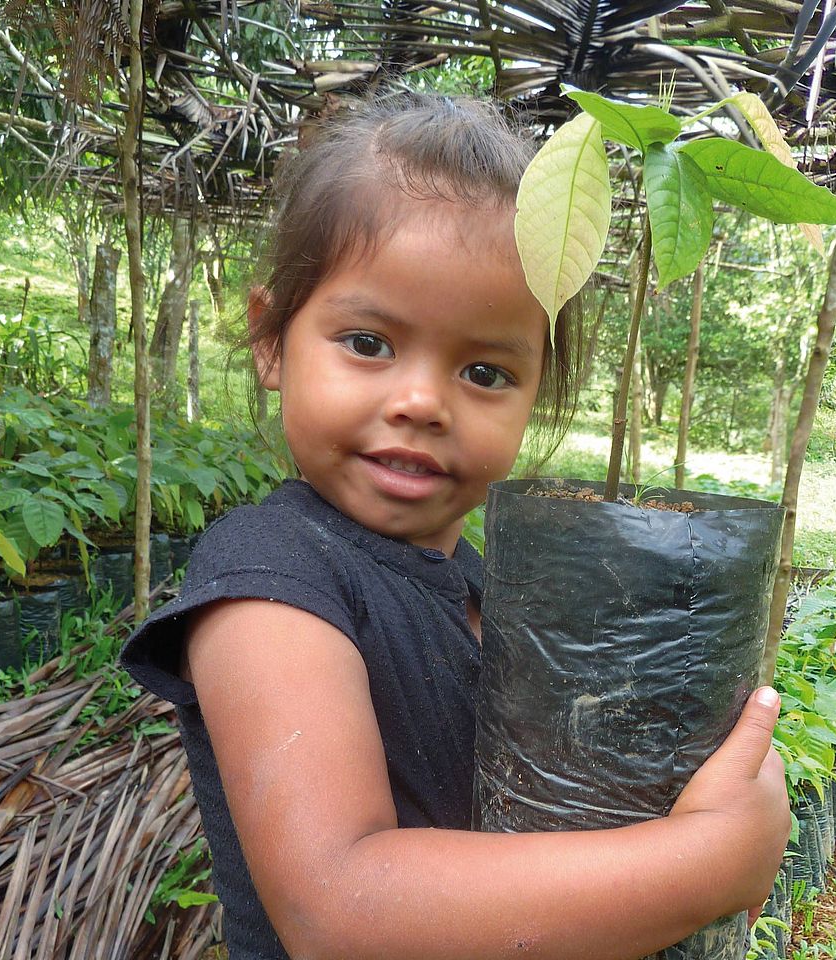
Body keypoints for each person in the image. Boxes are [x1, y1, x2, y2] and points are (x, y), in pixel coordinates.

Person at [119, 92, 790, 960]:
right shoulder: (269, 580)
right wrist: (704, 863)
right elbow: (339, 908)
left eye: (483, 369)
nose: (421, 402)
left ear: (537, 390)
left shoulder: (491, 584)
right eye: (368, 343)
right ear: (271, 341)